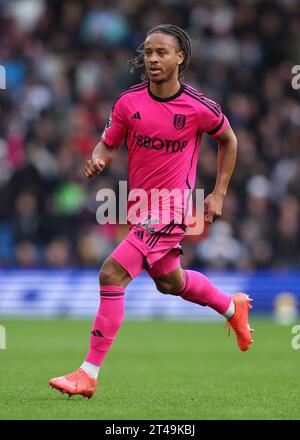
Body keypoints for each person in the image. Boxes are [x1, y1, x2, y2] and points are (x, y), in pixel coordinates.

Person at [49, 24, 253, 399]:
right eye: (148, 52)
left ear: (180, 58)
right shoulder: (128, 102)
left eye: (161, 52)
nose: (153, 59)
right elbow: (107, 145)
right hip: (140, 206)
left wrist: (219, 193)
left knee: (111, 273)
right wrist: (98, 159)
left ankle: (88, 373)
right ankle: (231, 307)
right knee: (169, 282)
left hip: (174, 208)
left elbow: (229, 139)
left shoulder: (198, 106)